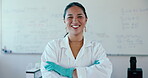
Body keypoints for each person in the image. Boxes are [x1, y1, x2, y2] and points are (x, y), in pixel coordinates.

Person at [41, 2, 112, 78]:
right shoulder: (53, 46)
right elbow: (48, 75)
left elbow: (105, 72)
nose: (75, 21)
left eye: (80, 16)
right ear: (64, 21)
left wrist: (71, 73)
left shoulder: (96, 48)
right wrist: (88, 72)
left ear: (86, 20)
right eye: (70, 17)